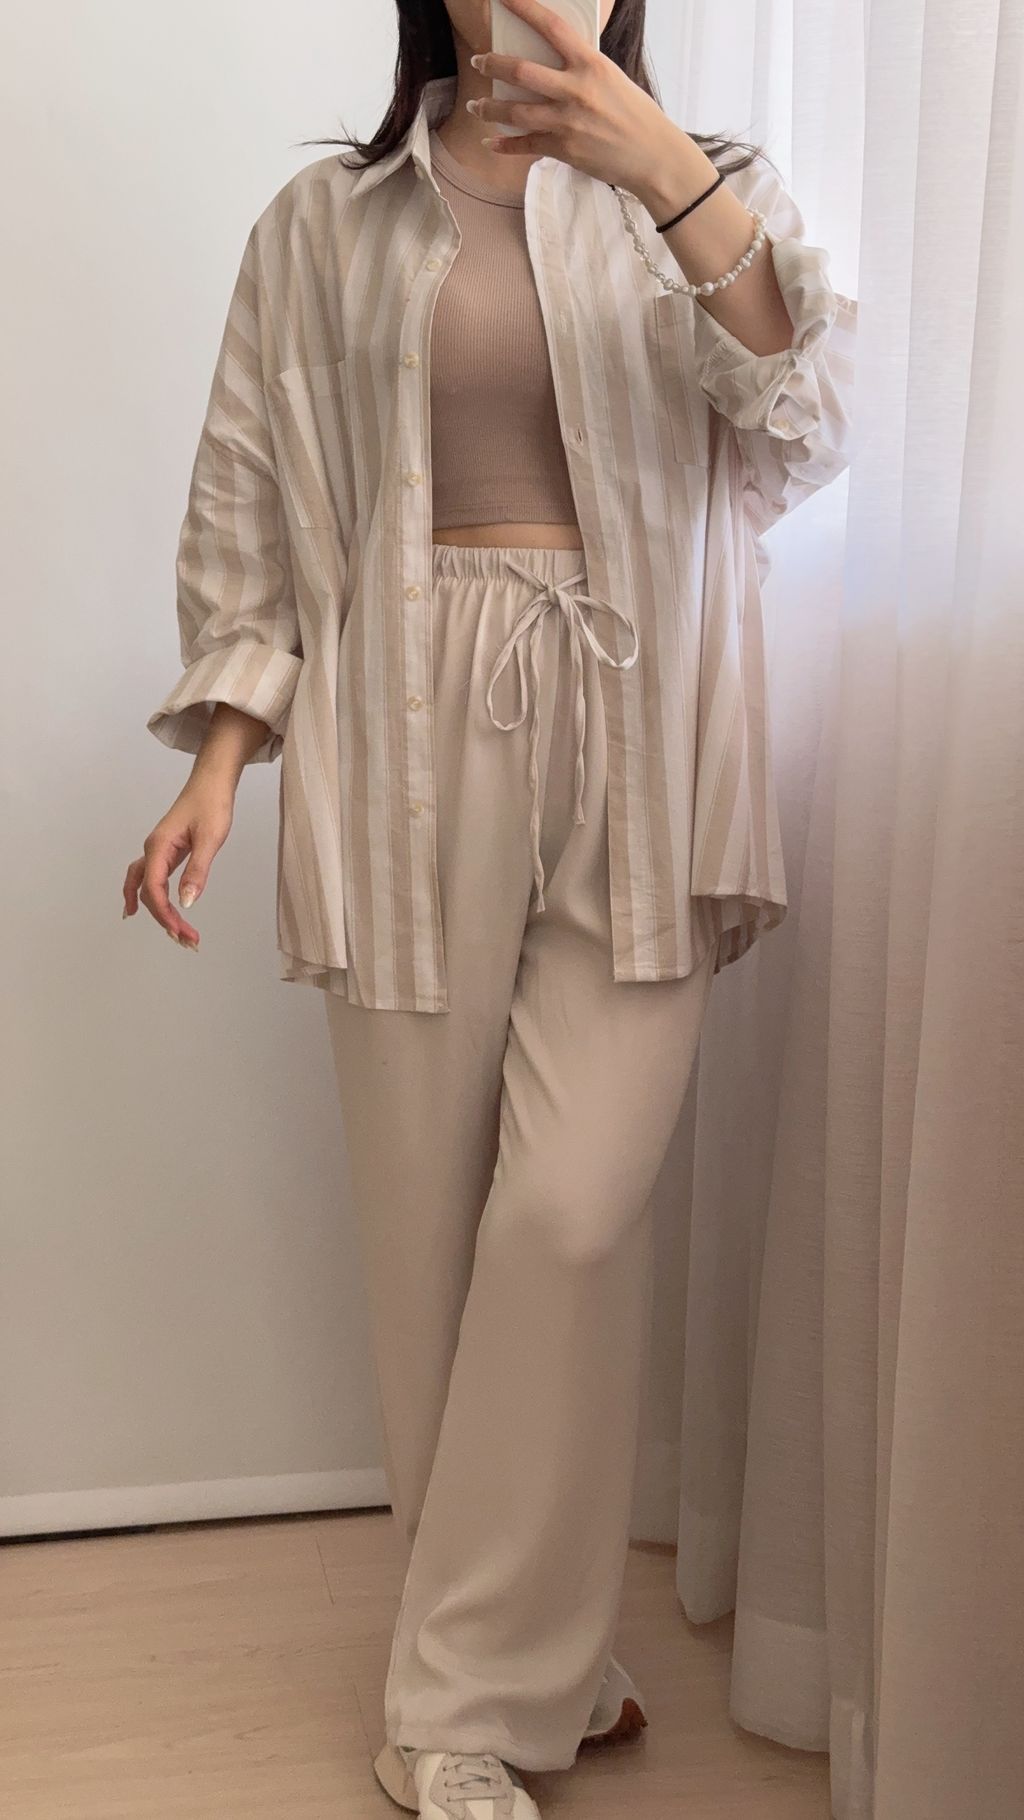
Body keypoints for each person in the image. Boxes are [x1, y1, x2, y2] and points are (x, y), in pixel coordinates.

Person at [124, 1, 857, 1813]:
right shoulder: (327, 223)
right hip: (398, 738)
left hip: (641, 732)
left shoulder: (710, 190)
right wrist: (225, 754)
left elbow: (805, 419)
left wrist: (666, 175)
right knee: (432, 1250)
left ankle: (454, 1707)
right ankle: (530, 1663)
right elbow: (250, 503)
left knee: (570, 1215)